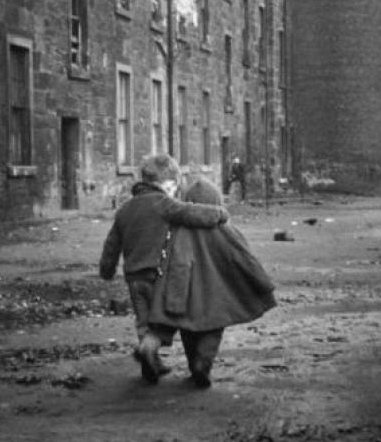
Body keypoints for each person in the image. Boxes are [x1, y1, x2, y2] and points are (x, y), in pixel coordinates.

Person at [99, 154, 229, 383]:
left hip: (133, 278)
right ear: (165, 183)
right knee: (163, 322)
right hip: (158, 274)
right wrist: (219, 214)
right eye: (173, 185)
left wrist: (107, 270)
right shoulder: (163, 204)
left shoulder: (125, 210)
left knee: (144, 321)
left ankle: (150, 364)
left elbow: (111, 245)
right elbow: (191, 213)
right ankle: (152, 351)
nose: (174, 190)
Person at [149, 177, 276, 388]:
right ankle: (203, 364)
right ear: (217, 201)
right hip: (219, 293)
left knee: (188, 330)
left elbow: (171, 260)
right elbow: (245, 258)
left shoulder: (180, 229)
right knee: (213, 331)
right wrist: (262, 283)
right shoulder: (225, 229)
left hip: (189, 294)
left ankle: (193, 365)